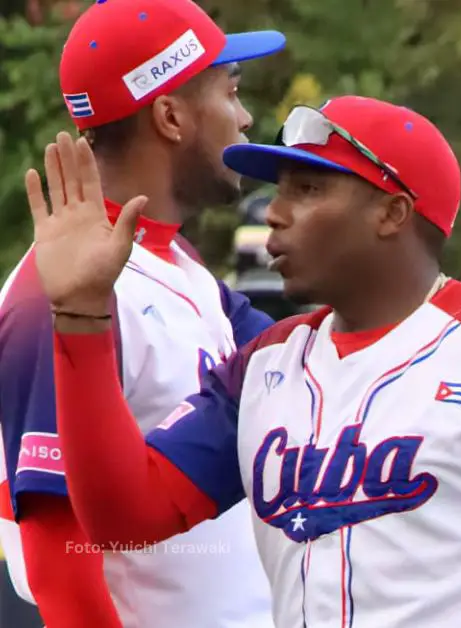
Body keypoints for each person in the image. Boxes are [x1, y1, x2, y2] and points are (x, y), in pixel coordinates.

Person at [25, 95, 461, 627]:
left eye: (309, 189)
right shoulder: (265, 365)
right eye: (279, 188)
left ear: (391, 212)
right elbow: (120, 518)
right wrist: (82, 316)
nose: (276, 213)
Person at [0, 0, 287, 625]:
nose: (245, 117)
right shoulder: (50, 297)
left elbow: (313, 355)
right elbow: (58, 562)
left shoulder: (180, 265)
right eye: (231, 92)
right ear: (171, 115)